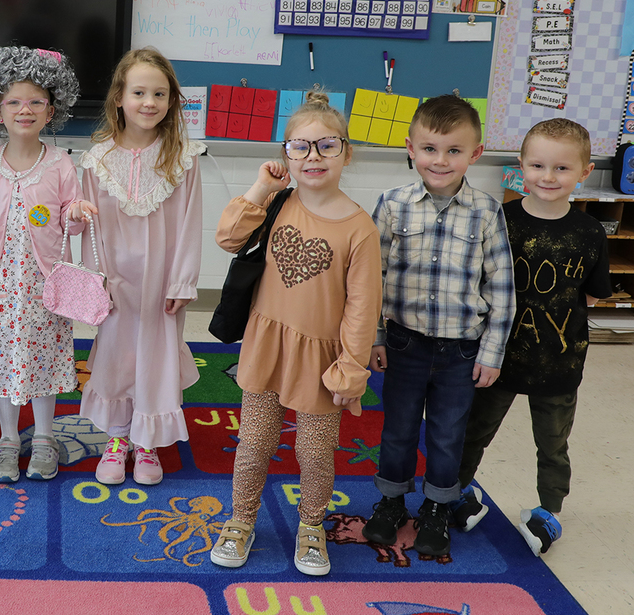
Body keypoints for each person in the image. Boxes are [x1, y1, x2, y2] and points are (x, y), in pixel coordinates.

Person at [209, 93, 382, 576]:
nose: (313, 157)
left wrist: (351, 365)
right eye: (300, 146)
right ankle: (241, 520)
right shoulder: (278, 202)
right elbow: (227, 237)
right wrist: (261, 188)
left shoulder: (360, 228)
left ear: (347, 153)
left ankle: (310, 526)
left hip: (322, 358)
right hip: (268, 343)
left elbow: (362, 307)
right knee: (254, 442)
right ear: (285, 153)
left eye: (327, 146)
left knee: (314, 451)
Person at [363, 94, 515, 557]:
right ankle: (390, 502)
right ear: (410, 148)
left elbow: (503, 289)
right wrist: (376, 337)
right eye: (430, 148)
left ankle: (436, 508)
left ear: (476, 153)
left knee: (448, 435)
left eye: (454, 150)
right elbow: (372, 280)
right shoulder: (392, 205)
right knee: (398, 429)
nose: (440, 160)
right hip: (405, 345)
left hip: (461, 352)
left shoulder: (488, 211)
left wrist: (492, 353)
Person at [454, 119, 611, 556]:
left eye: (562, 168)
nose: (547, 176)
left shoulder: (590, 232)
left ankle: (549, 510)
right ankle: (459, 492)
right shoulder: (498, 220)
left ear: (584, 171)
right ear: (520, 165)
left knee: (553, 443)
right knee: (474, 431)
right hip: (496, 360)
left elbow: (593, 297)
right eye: (538, 165)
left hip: (560, 364)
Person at [0, 46, 94, 483]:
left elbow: (69, 223)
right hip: (1, 286)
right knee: (3, 363)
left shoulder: (60, 163)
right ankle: (7, 438)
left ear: (51, 111)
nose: (25, 109)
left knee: (43, 362)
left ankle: (42, 437)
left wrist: (75, 214)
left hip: (45, 284)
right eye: (14, 102)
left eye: (36, 101)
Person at [78, 47, 204, 487]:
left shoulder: (182, 157)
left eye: (159, 93)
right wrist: (94, 281)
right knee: (115, 352)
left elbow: (191, 222)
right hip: (115, 278)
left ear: (171, 102)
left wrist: (183, 279)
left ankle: (146, 440)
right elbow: (90, 227)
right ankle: (117, 436)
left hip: (161, 279)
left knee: (155, 352)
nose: (148, 102)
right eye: (139, 92)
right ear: (119, 98)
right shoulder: (97, 159)